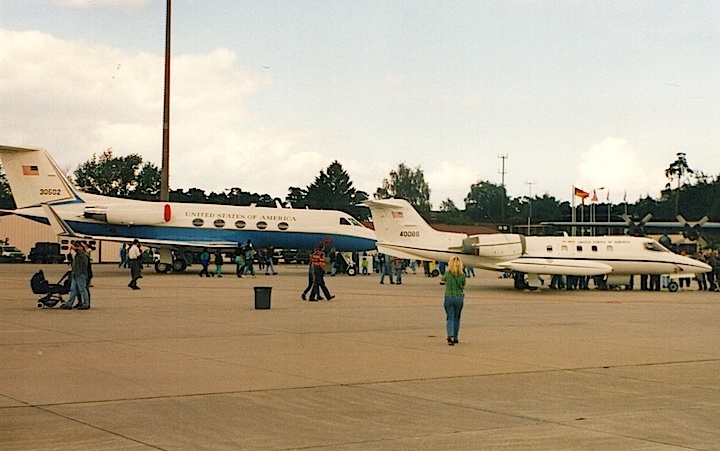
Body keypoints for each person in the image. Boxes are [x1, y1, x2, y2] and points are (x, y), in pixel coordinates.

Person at [442, 256, 466, 346]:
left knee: (450, 317)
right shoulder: (462, 275)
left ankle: (450, 335)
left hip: (449, 296)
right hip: (459, 297)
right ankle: (455, 337)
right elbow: (463, 285)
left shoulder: (447, 274)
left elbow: (444, 281)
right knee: (457, 318)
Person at [60, 242, 90, 309]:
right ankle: (69, 303)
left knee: (82, 289)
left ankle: (86, 304)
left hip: (80, 274)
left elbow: (83, 262)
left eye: (78, 246)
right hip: (75, 274)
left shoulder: (83, 255)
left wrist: (76, 249)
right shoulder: (76, 255)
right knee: (73, 289)